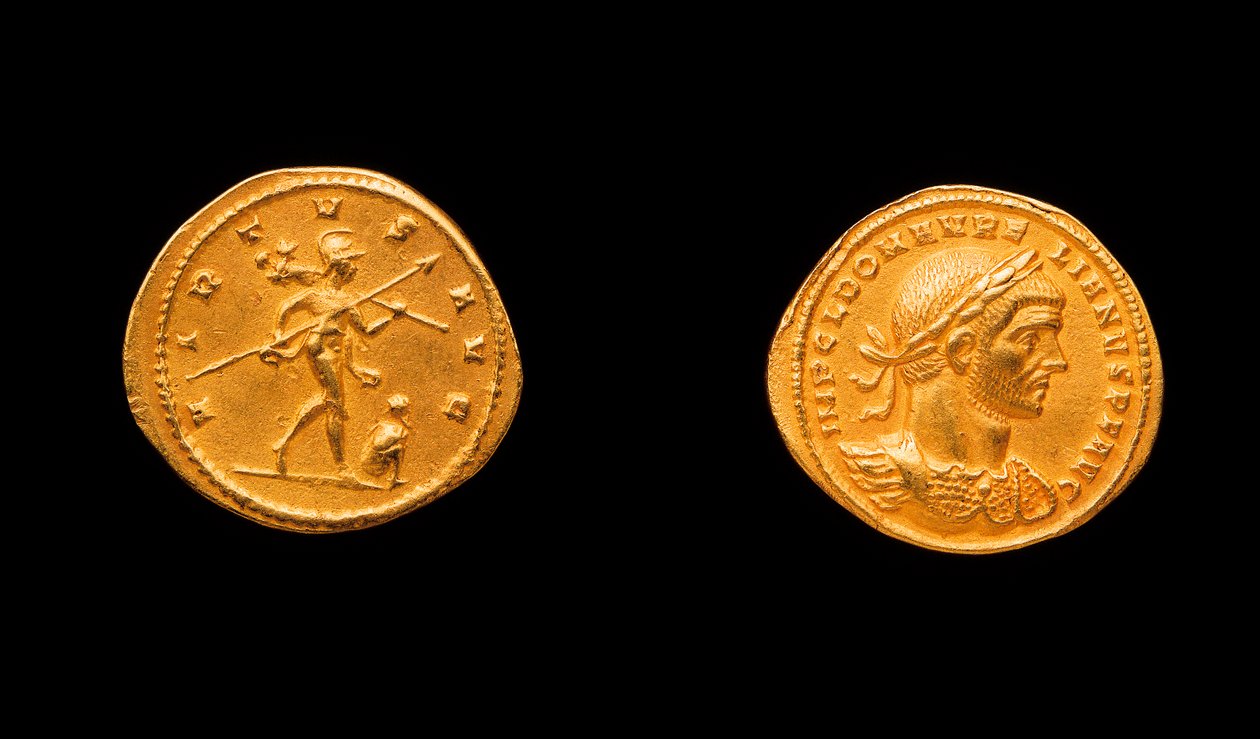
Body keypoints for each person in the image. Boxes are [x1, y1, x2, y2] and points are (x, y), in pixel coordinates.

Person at [840, 248, 1067, 524]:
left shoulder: (1032, 491)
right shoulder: (874, 475)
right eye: (1030, 341)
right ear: (962, 351)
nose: (1058, 361)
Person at [260, 229, 405, 479]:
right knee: (334, 406)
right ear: (340, 267)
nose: (355, 269)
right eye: (352, 264)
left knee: (326, 402)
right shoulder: (316, 295)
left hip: (336, 351)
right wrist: (278, 333)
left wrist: (391, 316)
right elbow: (286, 307)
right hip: (320, 348)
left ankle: (284, 443)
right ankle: (341, 466)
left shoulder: (348, 300)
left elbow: (366, 330)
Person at [361, 394, 411, 488]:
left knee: (399, 447)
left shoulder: (383, 424)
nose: (409, 411)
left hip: (372, 461)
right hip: (374, 465)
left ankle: (393, 478)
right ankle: (393, 479)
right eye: (405, 409)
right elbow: (377, 445)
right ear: (397, 411)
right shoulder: (396, 429)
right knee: (400, 448)